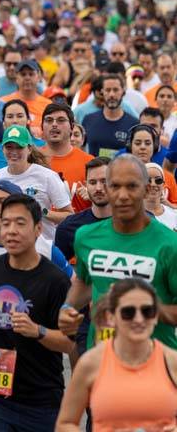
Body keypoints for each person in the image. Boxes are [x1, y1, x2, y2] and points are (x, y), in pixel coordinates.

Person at [0, 194, 74, 429]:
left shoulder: (55, 281)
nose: (11, 230)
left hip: (41, 400)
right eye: (6, 223)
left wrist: (38, 331)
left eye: (20, 223)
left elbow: (70, 343)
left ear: (38, 229)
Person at [60, 154, 177, 351]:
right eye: (115, 186)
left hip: (153, 363)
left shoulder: (169, 244)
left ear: (147, 189)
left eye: (131, 186)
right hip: (102, 358)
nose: (123, 195)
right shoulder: (86, 237)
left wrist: (139, 309)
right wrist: (67, 307)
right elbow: (84, 281)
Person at [56, 278, 177, 431]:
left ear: (155, 316)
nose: (139, 319)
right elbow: (65, 423)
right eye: (128, 312)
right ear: (111, 317)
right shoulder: (91, 363)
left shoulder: (172, 362)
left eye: (147, 311)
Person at [0, 125, 72, 240]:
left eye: (19, 147)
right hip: (6, 247)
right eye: (9, 147)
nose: (14, 152)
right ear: (2, 149)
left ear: (29, 149)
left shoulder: (47, 176)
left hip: (41, 248)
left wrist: (42, 211)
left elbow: (69, 215)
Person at [55, 157, 112, 264]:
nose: (98, 188)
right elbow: (58, 271)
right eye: (93, 182)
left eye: (104, 181)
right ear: (86, 185)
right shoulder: (69, 227)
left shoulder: (136, 223)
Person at [83, 74, 139, 159]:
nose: (111, 94)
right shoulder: (88, 120)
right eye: (108, 90)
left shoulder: (134, 124)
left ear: (123, 92)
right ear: (102, 92)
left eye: (115, 90)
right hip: (94, 171)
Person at [0, 60, 51, 137]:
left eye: (31, 74)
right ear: (16, 78)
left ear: (39, 77)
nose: (27, 78)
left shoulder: (48, 105)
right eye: (23, 74)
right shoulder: (4, 102)